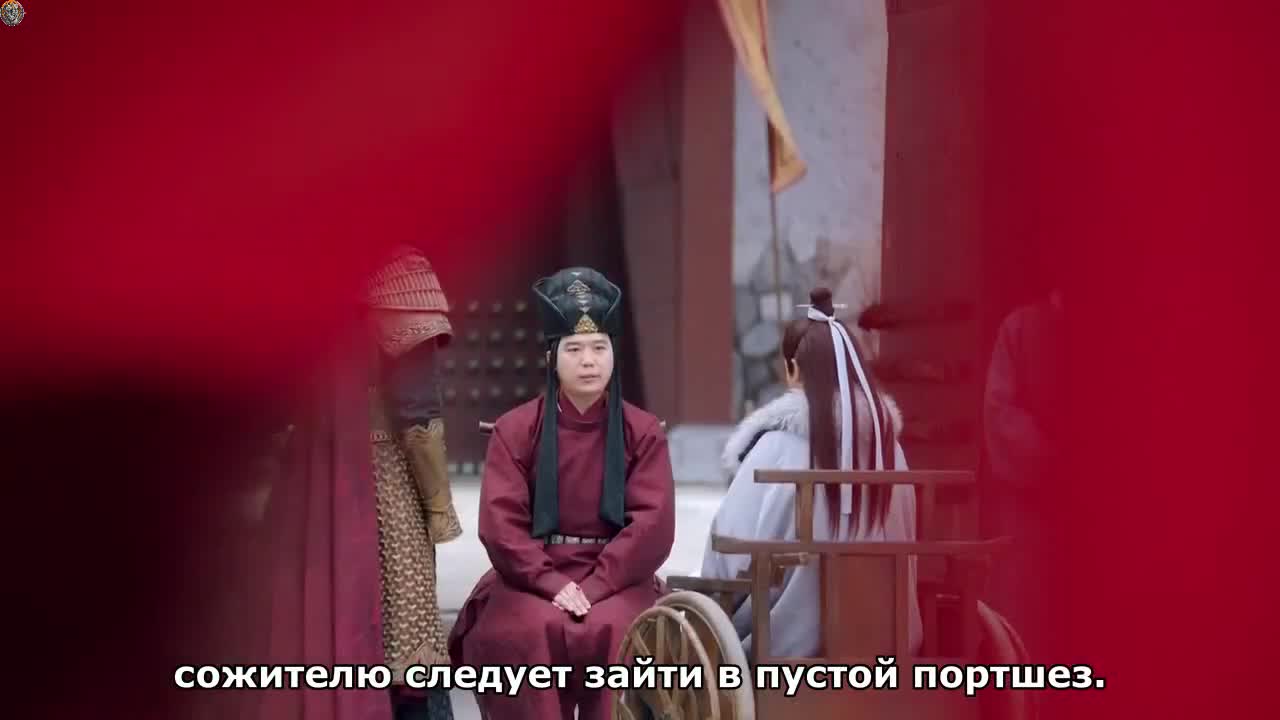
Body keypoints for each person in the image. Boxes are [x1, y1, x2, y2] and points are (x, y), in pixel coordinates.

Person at [448, 267, 675, 720]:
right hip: (533, 576)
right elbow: (501, 526)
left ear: (613, 354)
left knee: (618, 631)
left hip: (617, 577)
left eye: (599, 348)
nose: (588, 361)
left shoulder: (643, 431)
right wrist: (552, 583)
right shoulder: (516, 430)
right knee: (526, 632)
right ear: (552, 356)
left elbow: (652, 525)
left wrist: (595, 585)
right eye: (574, 349)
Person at [701, 287, 922, 657]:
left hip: (785, 648)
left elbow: (728, 554)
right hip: (889, 644)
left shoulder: (775, 448)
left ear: (792, 370)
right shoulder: (891, 452)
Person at [366, 245, 464, 719]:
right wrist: (440, 511)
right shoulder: (399, 271)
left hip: (304, 481)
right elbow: (418, 414)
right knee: (410, 639)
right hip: (384, 477)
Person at [980, 287, 1064, 660]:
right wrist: (1059, 459)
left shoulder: (1117, 326)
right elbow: (1000, 414)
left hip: (1106, 511)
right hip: (1032, 507)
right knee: (1029, 621)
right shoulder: (1021, 328)